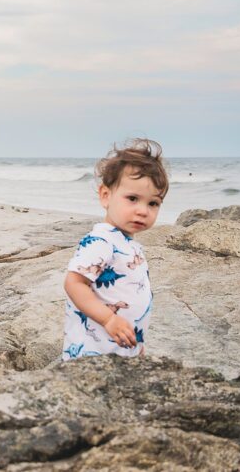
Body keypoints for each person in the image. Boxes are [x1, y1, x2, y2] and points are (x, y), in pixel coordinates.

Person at [61, 139, 168, 360]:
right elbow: (74, 283)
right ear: (105, 196)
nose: (142, 211)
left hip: (119, 348)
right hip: (92, 352)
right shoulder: (101, 241)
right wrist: (108, 319)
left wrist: (136, 343)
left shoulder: (126, 243)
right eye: (132, 199)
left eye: (153, 203)